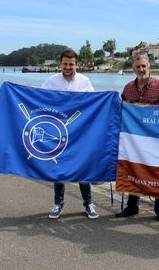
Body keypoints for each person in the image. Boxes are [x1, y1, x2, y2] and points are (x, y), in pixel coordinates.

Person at [116, 54, 159, 224]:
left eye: (144, 66)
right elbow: (120, 110)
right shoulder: (128, 88)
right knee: (133, 170)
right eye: (138, 67)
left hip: (156, 138)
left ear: (149, 67)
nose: (141, 69)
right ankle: (132, 206)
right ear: (133, 69)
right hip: (135, 140)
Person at [41, 49, 98, 220]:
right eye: (65, 64)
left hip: (80, 132)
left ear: (76, 64)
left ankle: (89, 203)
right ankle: (58, 203)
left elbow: (95, 103)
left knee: (82, 167)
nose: (68, 67)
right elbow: (37, 98)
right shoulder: (51, 81)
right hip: (58, 131)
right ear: (60, 64)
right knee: (58, 168)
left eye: (71, 64)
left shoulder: (85, 81)